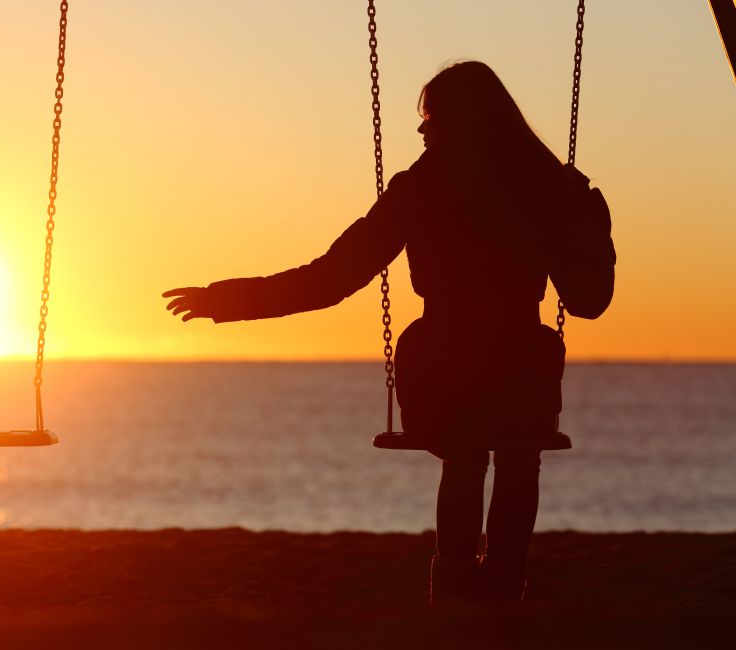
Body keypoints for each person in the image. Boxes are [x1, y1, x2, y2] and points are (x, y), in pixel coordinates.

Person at [162, 61, 614, 604]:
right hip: (520, 367)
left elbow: (330, 279)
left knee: (467, 454)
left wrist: (229, 300)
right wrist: (590, 221)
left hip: (445, 366)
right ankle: (502, 593)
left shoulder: (420, 189)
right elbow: (589, 301)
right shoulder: (544, 187)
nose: (421, 131)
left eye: (431, 119)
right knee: (517, 455)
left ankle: (456, 600)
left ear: (462, 123)